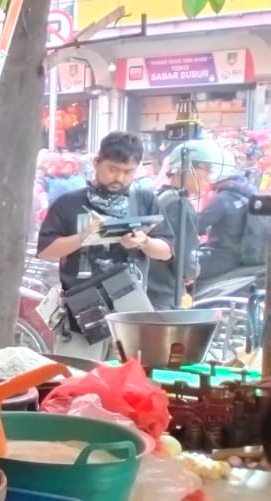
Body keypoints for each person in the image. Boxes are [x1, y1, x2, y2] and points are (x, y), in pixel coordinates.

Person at [36, 132, 173, 355]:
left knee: (129, 374)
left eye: (128, 172)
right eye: (113, 169)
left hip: (130, 308)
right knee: (78, 374)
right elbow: (45, 250)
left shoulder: (145, 200)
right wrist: (82, 237)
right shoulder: (69, 203)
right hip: (81, 314)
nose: (119, 178)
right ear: (96, 162)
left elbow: (166, 252)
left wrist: (144, 242)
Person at [149, 140, 228, 309]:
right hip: (165, 296)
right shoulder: (179, 204)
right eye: (207, 169)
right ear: (187, 168)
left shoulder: (162, 197)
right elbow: (186, 264)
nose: (209, 177)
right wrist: (191, 272)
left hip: (153, 291)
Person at [194, 149, 265, 285]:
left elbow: (196, 225)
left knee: (181, 269)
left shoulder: (222, 199)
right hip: (240, 254)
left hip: (223, 256)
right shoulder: (244, 193)